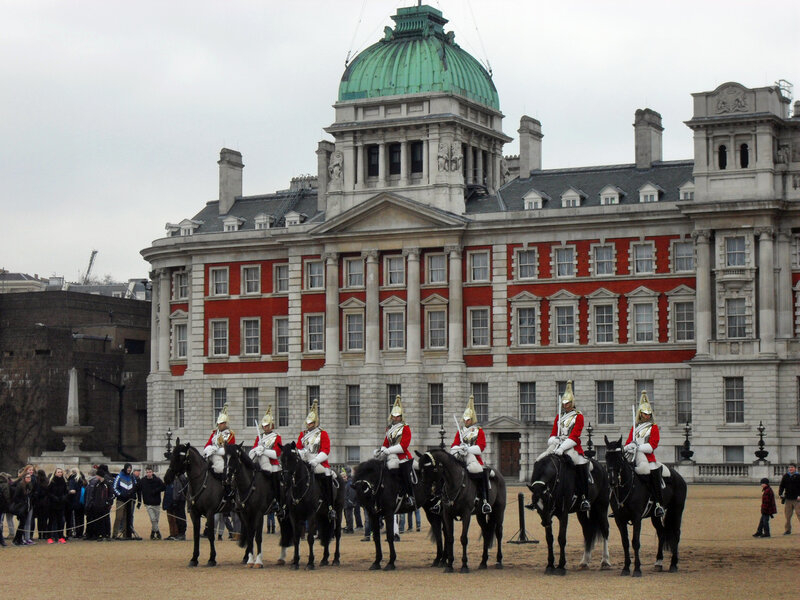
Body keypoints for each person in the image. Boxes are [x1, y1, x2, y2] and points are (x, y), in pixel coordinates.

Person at [533, 380, 592, 512]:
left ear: (573, 403)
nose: (566, 406)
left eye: (568, 403)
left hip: (572, 446)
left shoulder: (578, 416)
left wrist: (562, 448)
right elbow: (553, 433)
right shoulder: (559, 417)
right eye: (564, 403)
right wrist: (554, 441)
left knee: (580, 464)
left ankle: (584, 497)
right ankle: (537, 494)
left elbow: (575, 435)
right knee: (539, 460)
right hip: (557, 444)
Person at [624, 390, 665, 518]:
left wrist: (638, 447)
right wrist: (629, 447)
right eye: (645, 414)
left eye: (649, 414)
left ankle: (658, 504)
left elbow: (653, 445)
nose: (647, 416)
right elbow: (628, 441)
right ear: (640, 414)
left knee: (653, 474)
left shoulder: (654, 427)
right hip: (634, 457)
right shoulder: (635, 427)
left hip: (648, 458)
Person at [450, 395, 492, 514]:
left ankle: (484, 501)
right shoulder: (460, 431)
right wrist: (460, 448)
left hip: (474, 458)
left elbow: (480, 447)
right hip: (460, 457)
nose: (465, 421)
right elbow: (453, 445)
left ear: (472, 419)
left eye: (468, 419)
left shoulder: (479, 431)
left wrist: (467, 449)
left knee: (480, 472)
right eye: (464, 419)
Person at [297, 400, 335, 520]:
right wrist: (303, 453)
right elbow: (298, 448)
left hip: (318, 462)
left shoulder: (322, 434)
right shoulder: (302, 435)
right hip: (305, 461)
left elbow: (325, 450)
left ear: (315, 422)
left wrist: (316, 460)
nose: (309, 425)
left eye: (311, 423)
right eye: (308, 423)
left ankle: (329, 507)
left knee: (325, 475)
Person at [375, 395, 415, 510]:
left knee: (405, 472)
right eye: (394, 416)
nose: (395, 418)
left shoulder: (405, 428)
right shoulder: (389, 429)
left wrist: (388, 450)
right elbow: (386, 443)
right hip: (389, 455)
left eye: (397, 417)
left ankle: (409, 495)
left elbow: (403, 446)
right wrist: (382, 450)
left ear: (401, 417)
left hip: (403, 456)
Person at [249, 405, 282, 512]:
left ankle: (277, 501)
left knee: (276, 482)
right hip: (260, 463)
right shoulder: (259, 437)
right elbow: (252, 451)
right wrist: (256, 450)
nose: (265, 428)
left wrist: (264, 450)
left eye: (267, 426)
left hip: (273, 464)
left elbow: (277, 453)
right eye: (264, 426)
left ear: (271, 426)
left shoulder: (277, 437)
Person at [203, 404, 236, 494]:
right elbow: (206, 445)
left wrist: (216, 450)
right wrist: (210, 449)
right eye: (219, 423)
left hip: (223, 459)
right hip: (211, 456)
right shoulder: (214, 434)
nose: (219, 425)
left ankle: (227, 490)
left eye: (221, 423)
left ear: (225, 424)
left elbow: (229, 449)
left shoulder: (230, 434)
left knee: (221, 469)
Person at [85, 465, 113, 541]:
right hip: (97, 506)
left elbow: (111, 494)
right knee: (98, 520)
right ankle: (99, 534)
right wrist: (93, 502)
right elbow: (93, 494)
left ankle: (106, 534)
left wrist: (108, 502)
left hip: (104, 506)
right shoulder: (96, 484)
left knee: (105, 520)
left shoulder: (107, 484)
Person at [140, 466, 166, 540]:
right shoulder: (143, 480)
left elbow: (163, 487)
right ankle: (157, 532)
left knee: (156, 520)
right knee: (153, 519)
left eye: (150, 472)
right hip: (148, 503)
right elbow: (137, 488)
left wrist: (156, 490)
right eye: (147, 472)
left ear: (152, 472)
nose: (148, 474)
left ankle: (152, 532)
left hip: (157, 503)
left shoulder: (157, 480)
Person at [113, 463, 137, 539]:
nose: (129, 469)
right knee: (119, 517)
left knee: (127, 517)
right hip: (121, 500)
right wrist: (120, 495)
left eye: (130, 468)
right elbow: (114, 488)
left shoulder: (132, 477)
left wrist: (132, 494)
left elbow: (135, 486)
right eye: (128, 468)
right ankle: (115, 534)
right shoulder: (119, 476)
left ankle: (126, 534)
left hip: (129, 500)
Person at [46, 467, 68, 544]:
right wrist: (54, 497)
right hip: (52, 504)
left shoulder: (64, 482)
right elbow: (48, 492)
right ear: (55, 473)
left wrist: (63, 497)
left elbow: (66, 492)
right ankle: (49, 537)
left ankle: (60, 536)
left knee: (60, 521)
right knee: (51, 521)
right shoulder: (52, 482)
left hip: (61, 504)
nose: (60, 473)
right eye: (58, 472)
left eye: (61, 472)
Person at [778, 463, 800, 535]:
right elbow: (782, 486)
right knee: (787, 516)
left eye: (792, 467)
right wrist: (780, 493)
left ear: (795, 468)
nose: (790, 469)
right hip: (788, 498)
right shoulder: (786, 476)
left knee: (799, 513)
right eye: (789, 467)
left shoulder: (798, 476)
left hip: (797, 499)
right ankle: (788, 530)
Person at [66, 468, 86, 539]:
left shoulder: (72, 480)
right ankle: (80, 532)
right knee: (81, 518)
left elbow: (72, 491)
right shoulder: (82, 480)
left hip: (74, 501)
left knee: (75, 518)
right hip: (81, 501)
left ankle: (76, 532)